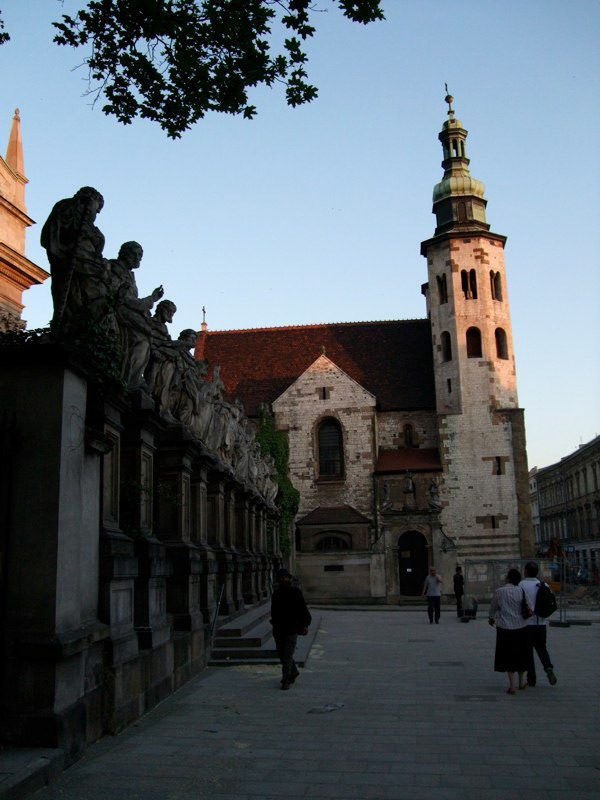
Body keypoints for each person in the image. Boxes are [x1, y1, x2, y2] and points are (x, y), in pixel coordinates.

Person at [488, 567, 529, 694]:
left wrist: (491, 618)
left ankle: (512, 686)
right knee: (521, 654)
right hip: (521, 627)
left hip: (505, 628)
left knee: (508, 656)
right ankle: (522, 682)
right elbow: (530, 607)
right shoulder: (521, 591)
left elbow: (493, 608)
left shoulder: (499, 591)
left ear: (509, 578)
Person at [270, 568, 312, 690]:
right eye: (282, 578)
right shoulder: (276, 594)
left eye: (286, 577)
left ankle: (286, 680)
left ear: (289, 578)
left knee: (287, 654)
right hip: (278, 628)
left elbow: (302, 609)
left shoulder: (296, 592)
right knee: (283, 654)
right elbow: (274, 612)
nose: (284, 579)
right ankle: (293, 672)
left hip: (291, 629)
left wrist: (305, 625)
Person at [519, 562, 557, 687]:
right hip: (541, 623)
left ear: (526, 572)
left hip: (526, 624)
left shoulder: (522, 585)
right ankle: (548, 667)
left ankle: (532, 679)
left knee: (528, 652)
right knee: (542, 648)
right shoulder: (543, 584)